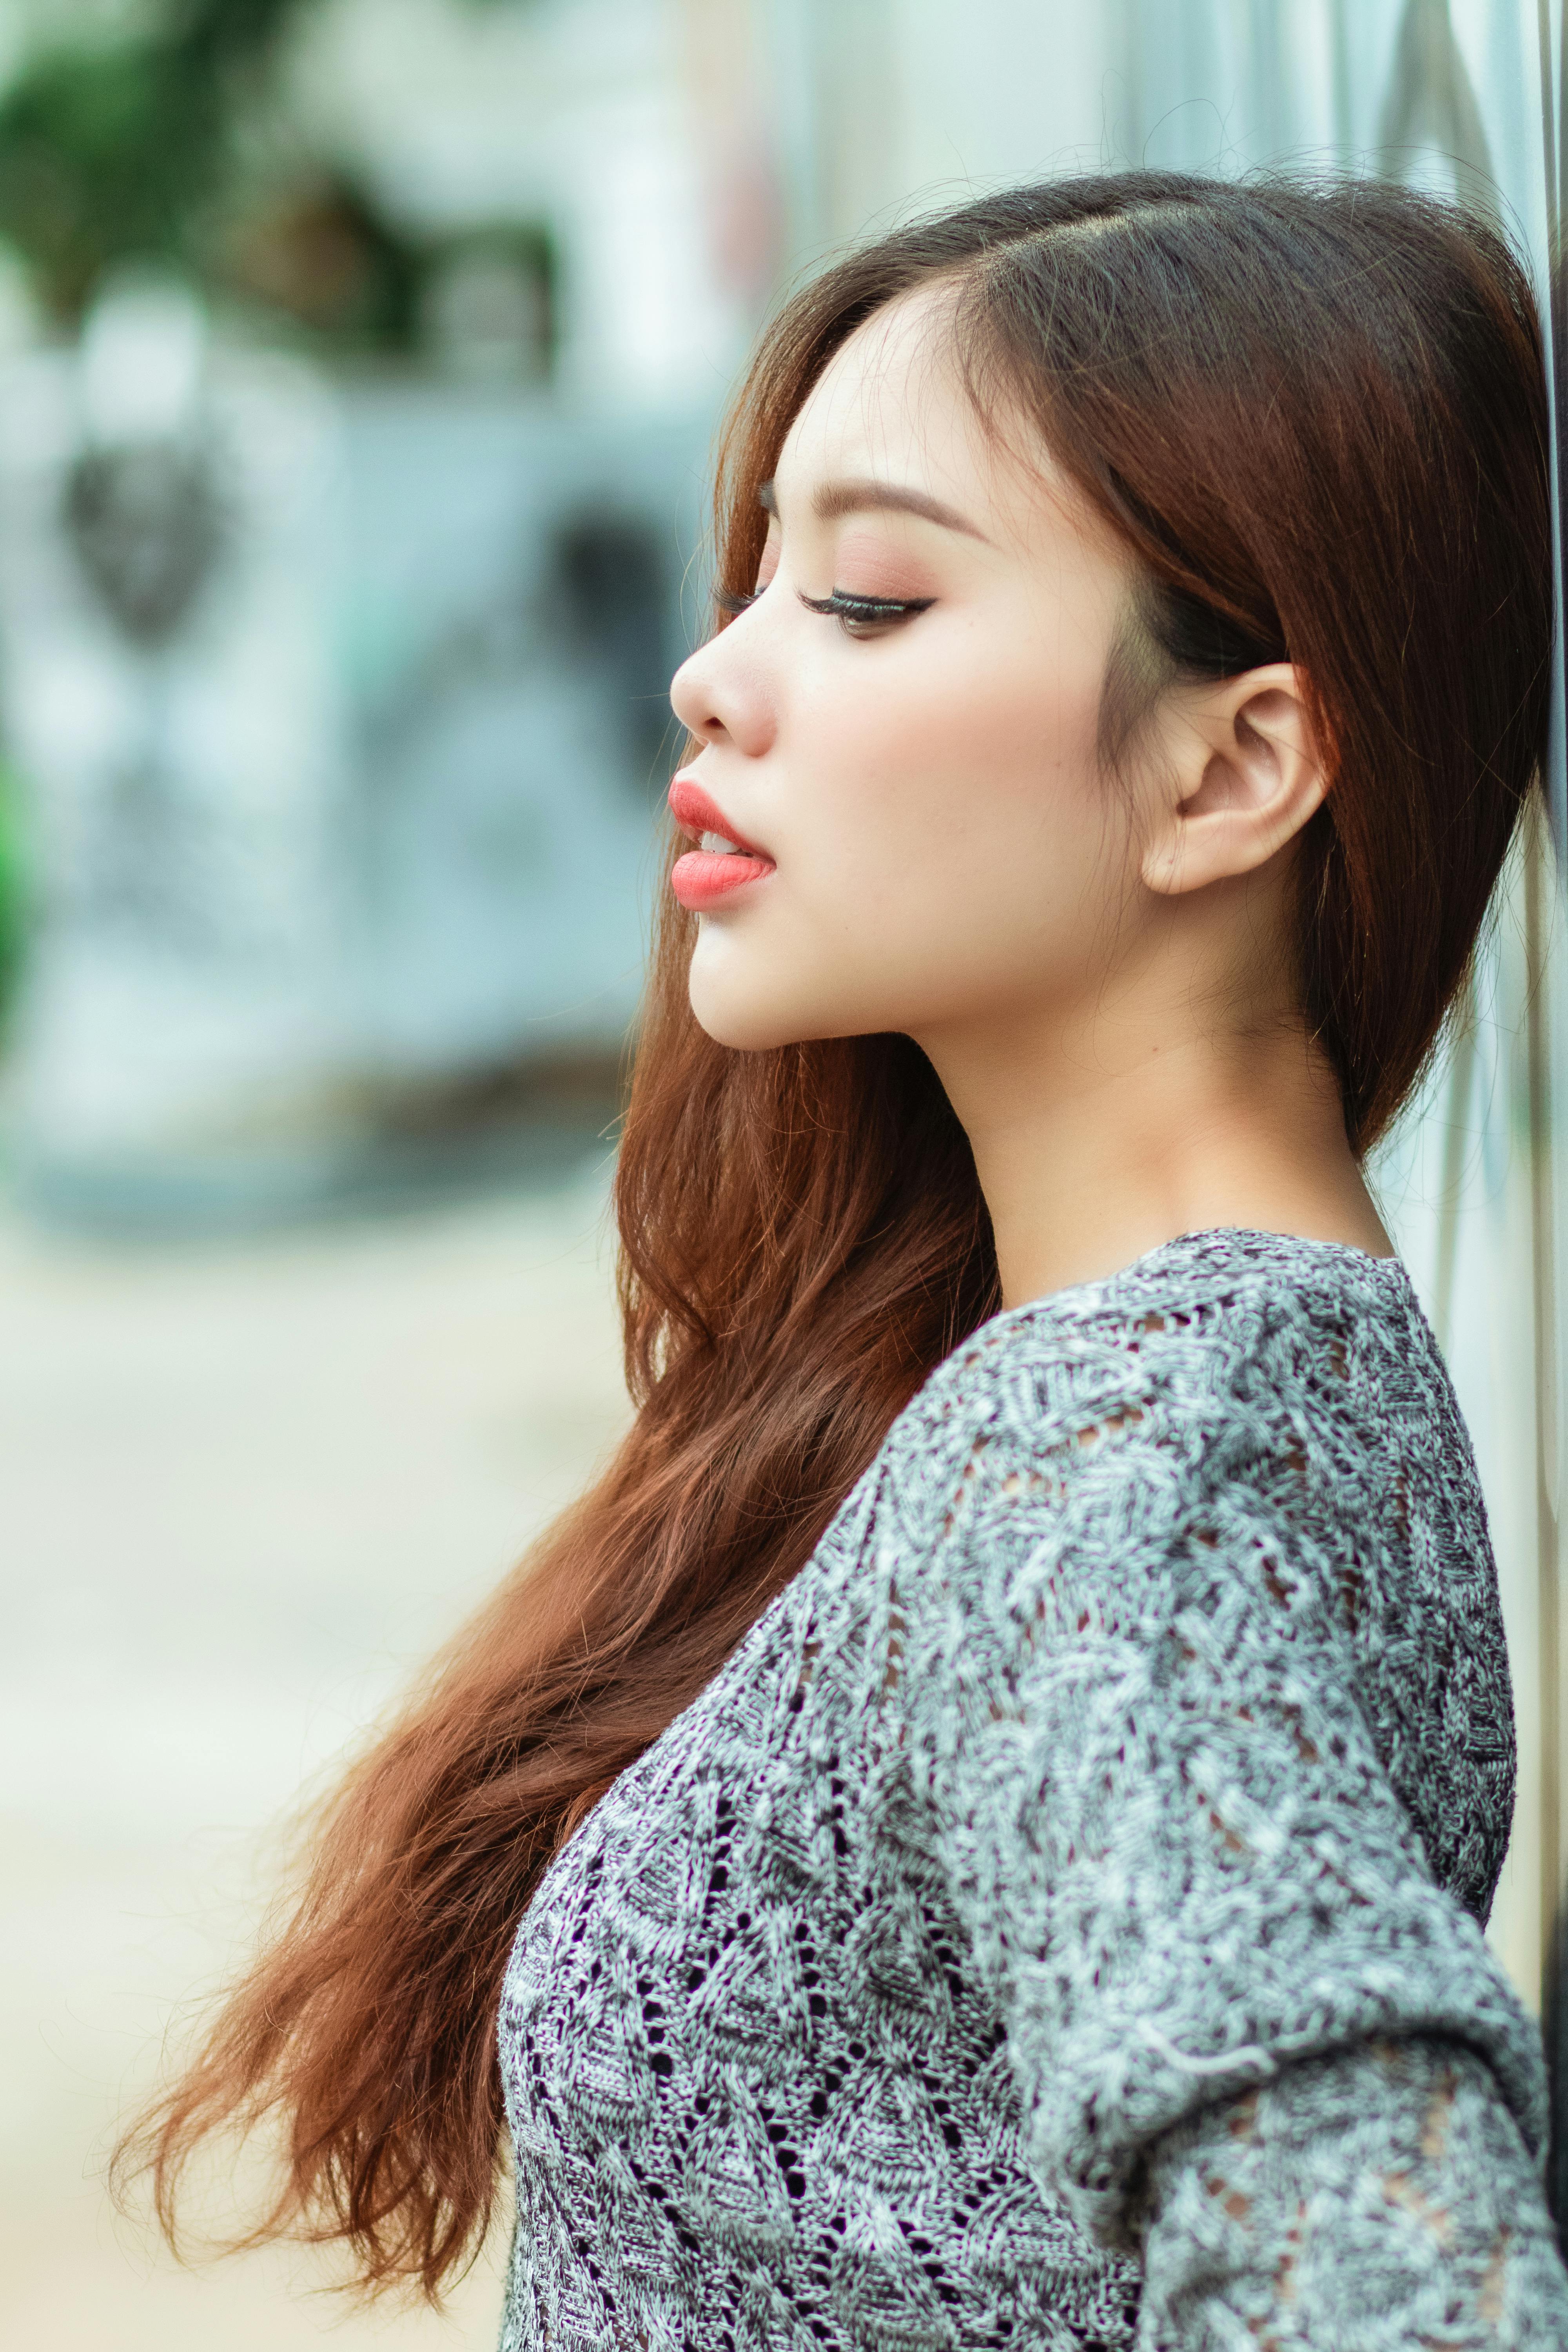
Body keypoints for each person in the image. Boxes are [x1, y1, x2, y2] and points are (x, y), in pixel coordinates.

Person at [128, 172, 1568, 2347]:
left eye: (871, 600)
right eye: (756, 586)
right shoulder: (1238, 1376)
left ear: (1234, 766)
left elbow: (1392, 2282)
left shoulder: (1115, 1456)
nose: (711, 679)